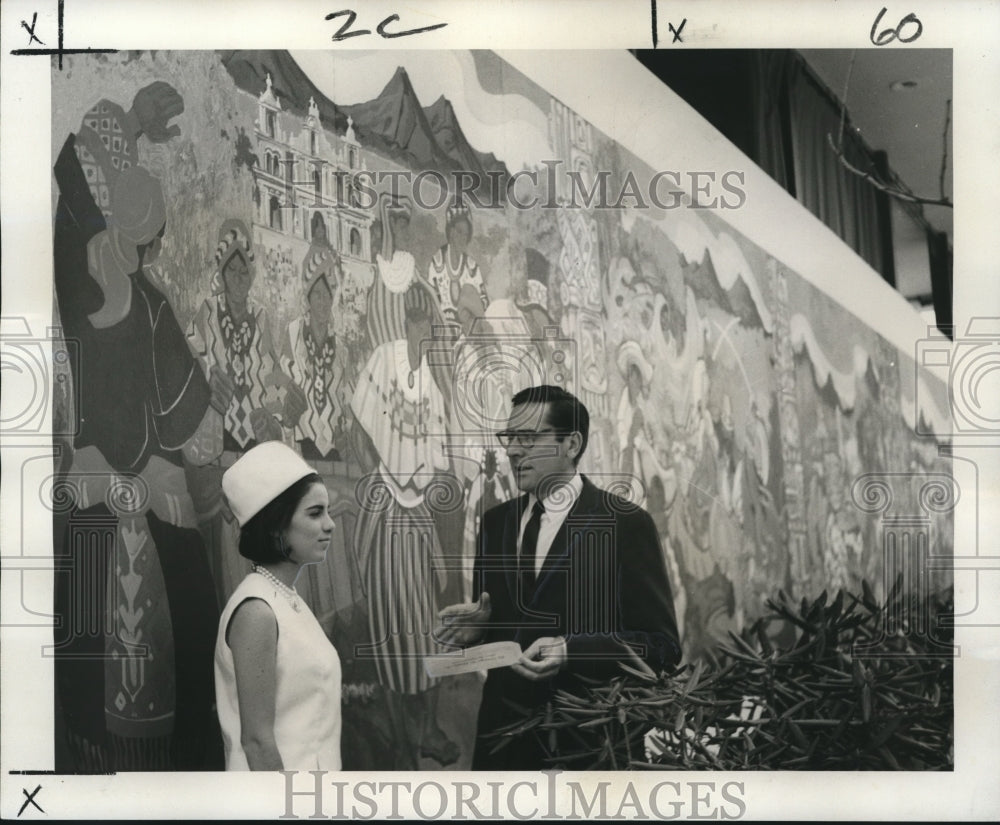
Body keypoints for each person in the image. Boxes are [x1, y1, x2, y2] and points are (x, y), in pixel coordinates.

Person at [52, 81, 222, 770]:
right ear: (152, 238)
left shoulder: (74, 272)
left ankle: (85, 755)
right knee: (188, 614)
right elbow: (192, 425)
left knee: (83, 629)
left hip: (91, 484)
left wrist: (124, 124)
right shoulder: (153, 307)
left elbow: (69, 166)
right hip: (152, 493)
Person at [437, 385, 682, 770]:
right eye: (509, 438)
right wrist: (483, 632)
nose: (513, 450)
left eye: (529, 438)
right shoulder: (494, 523)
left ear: (572, 444)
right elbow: (512, 634)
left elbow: (662, 648)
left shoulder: (625, 524)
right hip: (505, 752)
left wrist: (571, 650)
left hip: (592, 751)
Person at [214, 441, 342, 770]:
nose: (330, 524)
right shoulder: (256, 610)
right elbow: (257, 743)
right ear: (276, 526)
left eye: (327, 512)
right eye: (315, 513)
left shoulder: (286, 598)